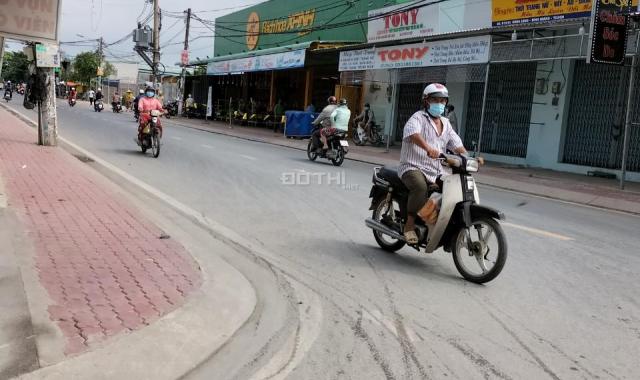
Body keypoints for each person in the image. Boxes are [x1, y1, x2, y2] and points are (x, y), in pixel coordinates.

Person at [398, 83, 467, 244]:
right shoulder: (418, 118)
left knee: (453, 189)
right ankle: (408, 226)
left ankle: (436, 223)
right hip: (413, 166)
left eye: (443, 101)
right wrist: (427, 148)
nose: (439, 104)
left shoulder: (446, 122)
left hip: (436, 169)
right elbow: (413, 133)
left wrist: (467, 158)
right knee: (420, 187)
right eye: (435, 100)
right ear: (426, 101)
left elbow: (456, 144)